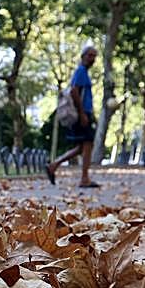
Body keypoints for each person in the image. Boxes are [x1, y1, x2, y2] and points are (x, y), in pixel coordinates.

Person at [46, 44, 99, 188]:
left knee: (83, 146)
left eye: (94, 56)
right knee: (87, 144)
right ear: (83, 56)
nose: (92, 59)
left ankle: (54, 165)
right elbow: (74, 91)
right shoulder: (80, 71)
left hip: (85, 112)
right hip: (81, 113)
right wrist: (82, 113)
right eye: (90, 55)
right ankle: (84, 178)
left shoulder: (84, 72)